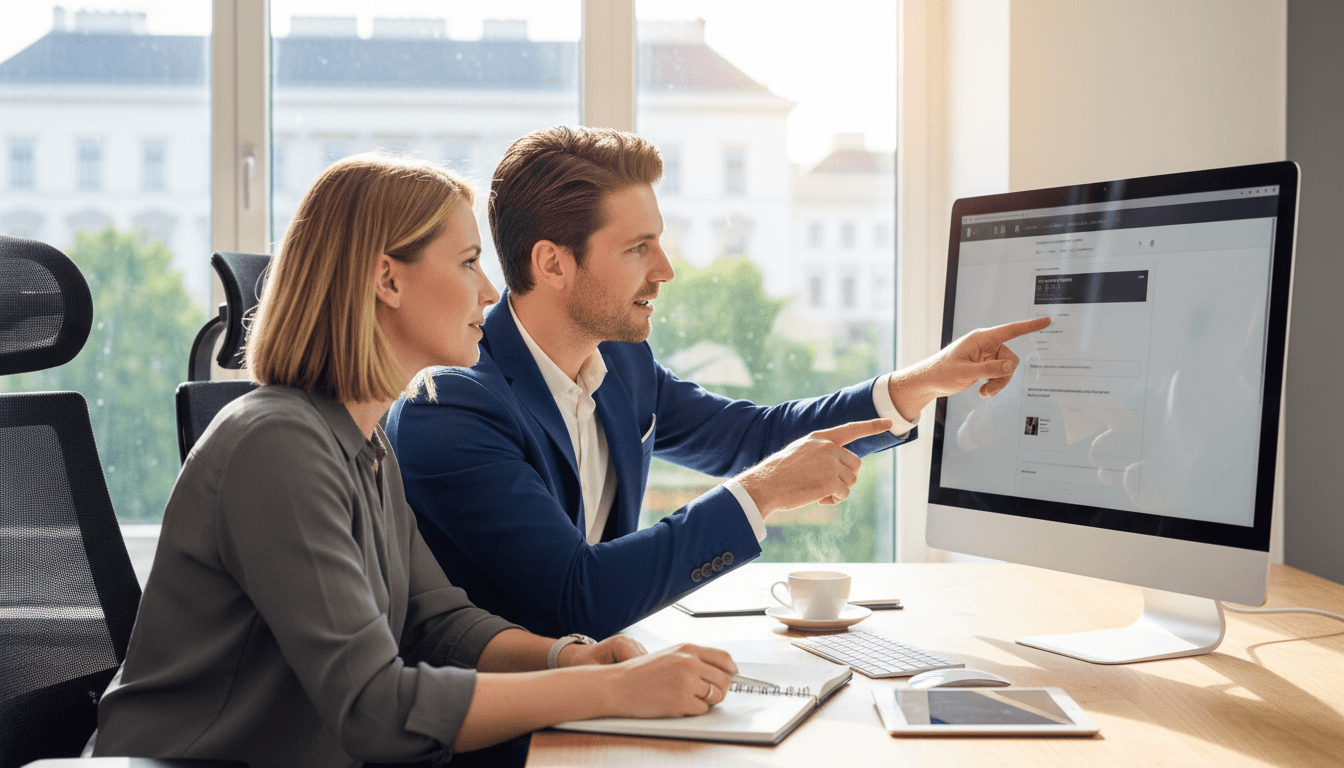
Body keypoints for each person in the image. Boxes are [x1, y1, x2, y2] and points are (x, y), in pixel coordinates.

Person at [93, 153, 741, 768]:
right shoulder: (277, 447)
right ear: (388, 279)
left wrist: (572, 660)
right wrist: (615, 692)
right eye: (466, 263)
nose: (489, 290)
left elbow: (436, 622)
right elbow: (375, 706)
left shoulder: (361, 440)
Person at [386, 126, 1049, 640]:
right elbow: (577, 596)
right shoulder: (450, 407)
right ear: (553, 264)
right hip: (510, 734)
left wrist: (921, 383)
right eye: (638, 248)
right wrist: (762, 493)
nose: (667, 269)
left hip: (597, 689)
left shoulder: (623, 366)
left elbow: (749, 436)